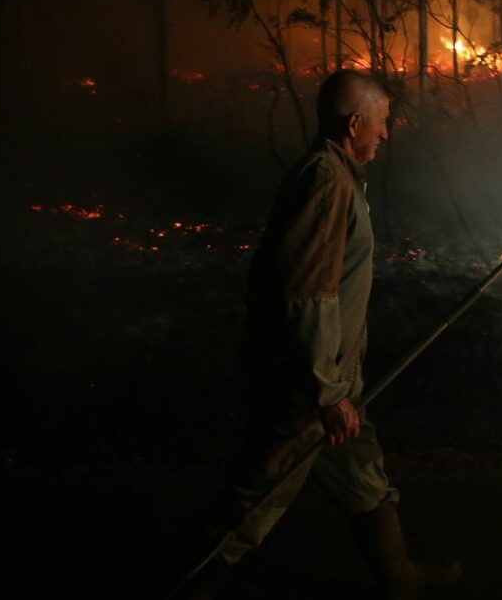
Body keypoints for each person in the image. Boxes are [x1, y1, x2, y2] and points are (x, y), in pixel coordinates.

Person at [176, 71, 461, 600]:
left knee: (364, 477)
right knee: (257, 500)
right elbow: (308, 294)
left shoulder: (339, 177)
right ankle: (187, 584)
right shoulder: (327, 181)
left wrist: (340, 385)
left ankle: (402, 579)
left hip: (333, 379)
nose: (385, 134)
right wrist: (327, 392)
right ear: (355, 123)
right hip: (306, 388)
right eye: (381, 123)